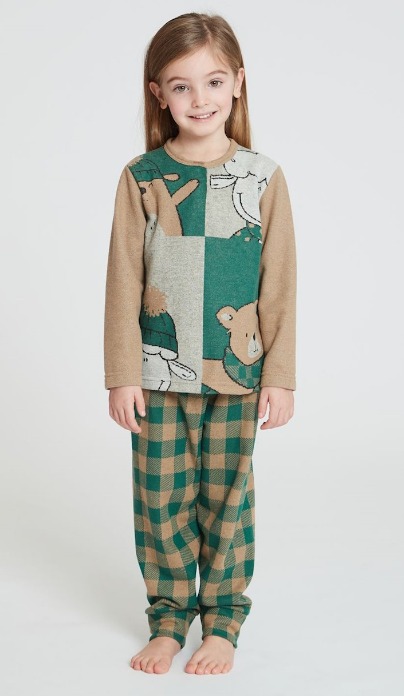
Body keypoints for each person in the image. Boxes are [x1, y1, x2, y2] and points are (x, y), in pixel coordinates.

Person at [103, 11, 297, 676]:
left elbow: (279, 285)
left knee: (227, 499)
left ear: (238, 83)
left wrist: (281, 374)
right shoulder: (141, 176)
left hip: (236, 375)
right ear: (158, 93)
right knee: (159, 499)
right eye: (181, 86)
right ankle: (167, 619)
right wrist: (121, 372)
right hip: (158, 371)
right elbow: (123, 280)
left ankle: (222, 621)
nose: (200, 99)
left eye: (213, 81)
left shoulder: (263, 177)